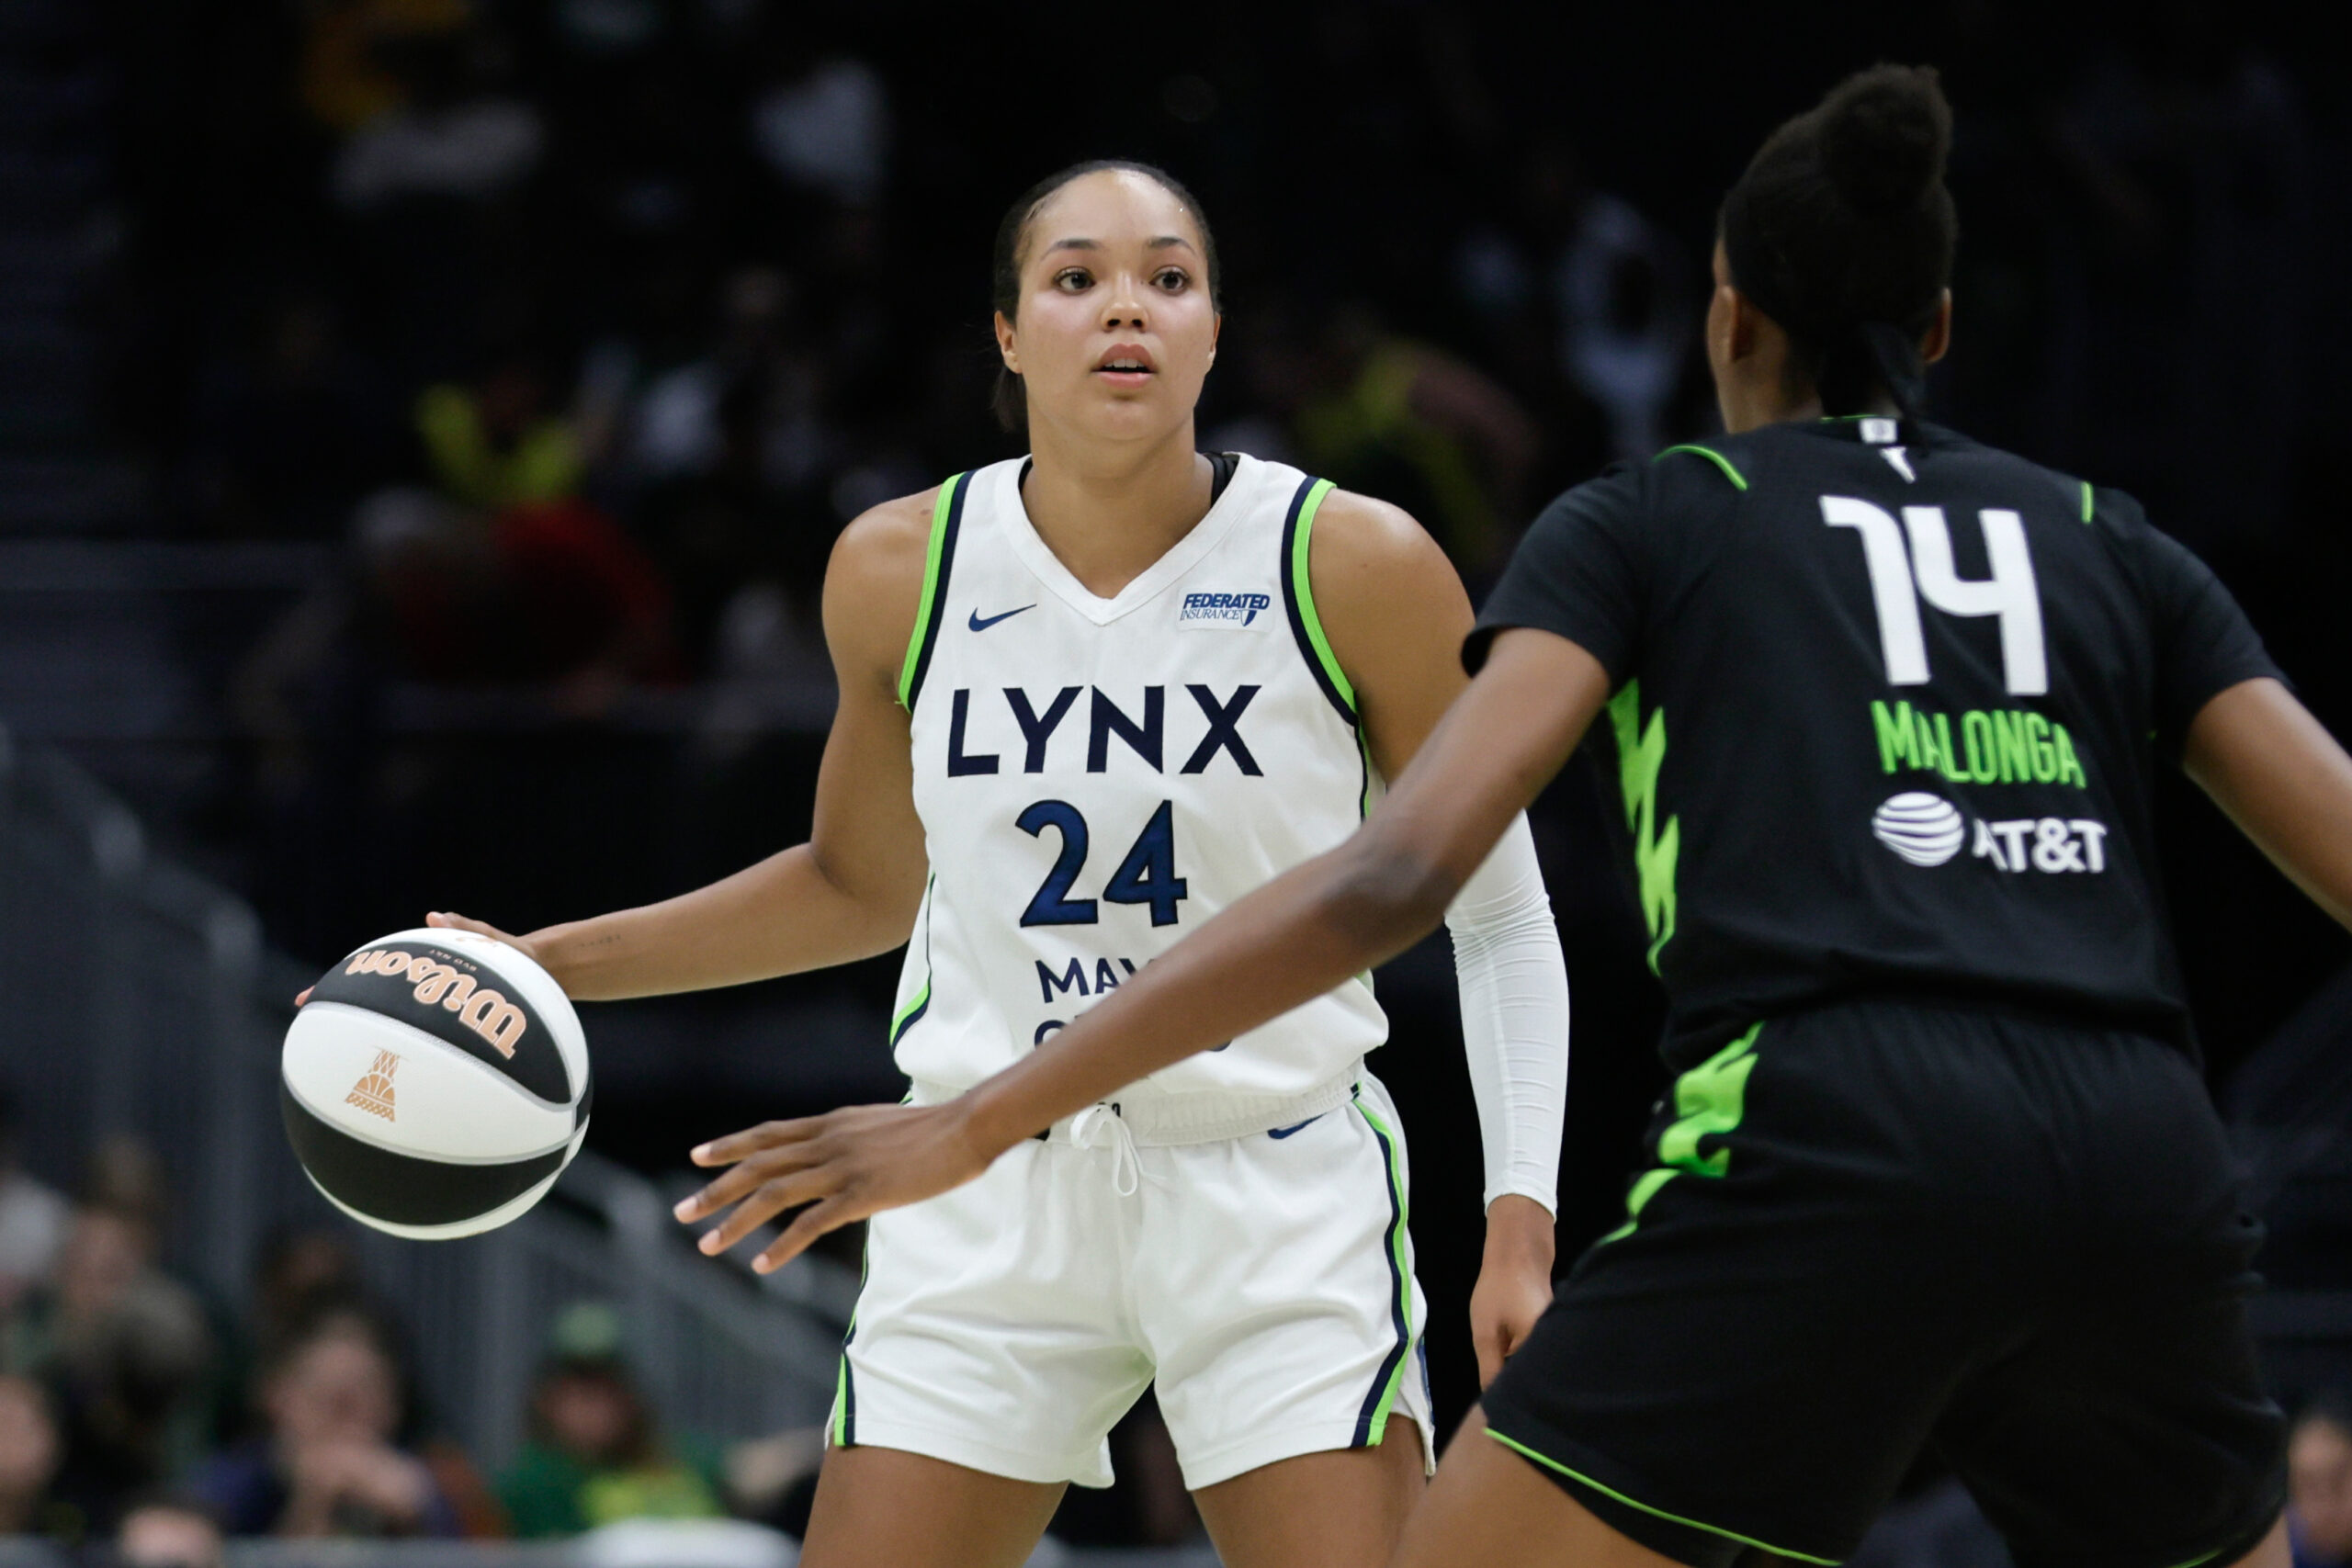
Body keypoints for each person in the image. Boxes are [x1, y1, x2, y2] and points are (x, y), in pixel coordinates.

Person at [679, 68, 2352, 1568]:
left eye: (1168, 278)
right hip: (2142, 1142)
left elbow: (1418, 867)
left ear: (1726, 321)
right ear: (1939, 326)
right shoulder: (2108, 532)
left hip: (1830, 1120)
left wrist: (984, 1114)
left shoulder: (1654, 516)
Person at [386, 160, 1571, 1567]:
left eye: (1168, 278)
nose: (1125, 307)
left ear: (1212, 330)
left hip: (1272, 1175)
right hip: (986, 1184)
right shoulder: (903, 567)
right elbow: (858, 885)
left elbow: (1503, 916)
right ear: (1008, 331)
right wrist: (542, 964)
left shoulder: (1354, 561)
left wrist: (1519, 1223)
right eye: (1077, 277)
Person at [187, 1306, 459, 1538]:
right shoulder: (232, 1483)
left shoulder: (430, 1485)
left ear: (394, 1406)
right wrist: (310, 1508)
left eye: (359, 1399)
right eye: (322, 1397)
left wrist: (414, 1522)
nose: (341, 1422)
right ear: (276, 1397)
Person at [498, 1302, 728, 1538]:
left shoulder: (676, 1458)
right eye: (581, 1395)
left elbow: (732, 1468)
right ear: (547, 1400)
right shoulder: (531, 1487)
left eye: (607, 1392)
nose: (596, 1409)